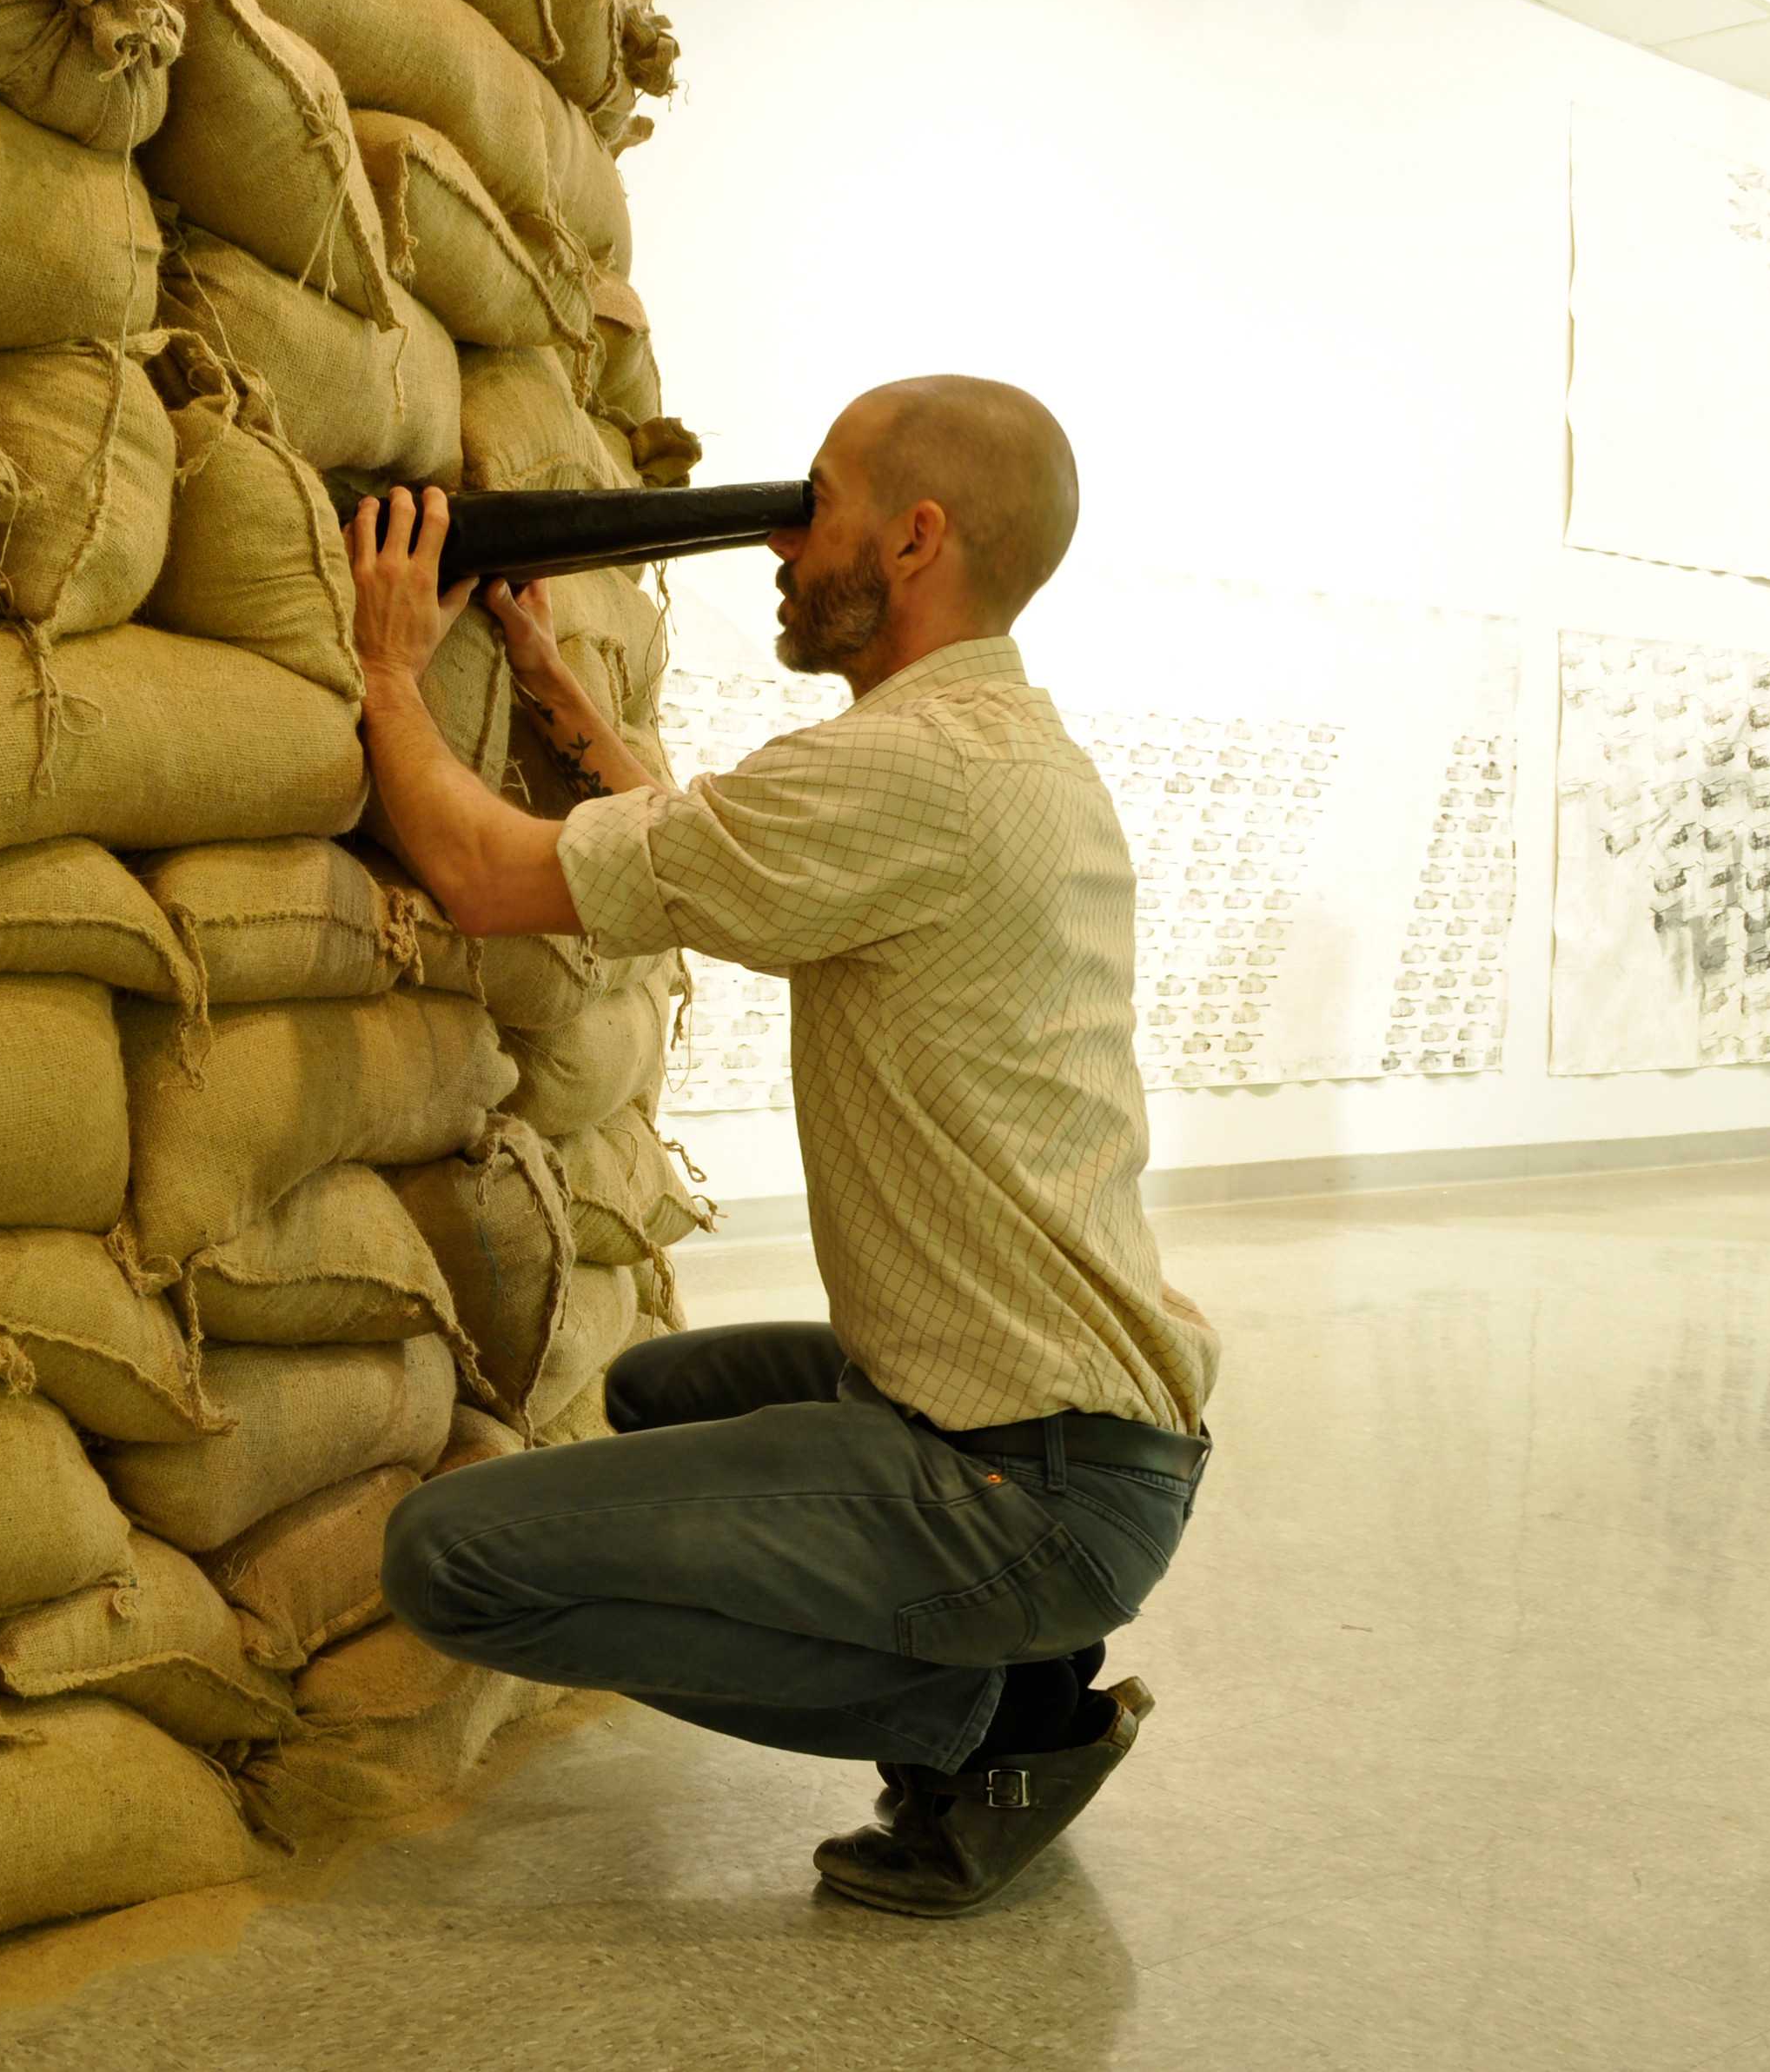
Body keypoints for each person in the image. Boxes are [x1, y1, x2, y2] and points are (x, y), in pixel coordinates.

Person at [346, 375, 1219, 1918]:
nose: (780, 537)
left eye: (816, 501)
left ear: (915, 537)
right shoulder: (990, 750)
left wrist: (390, 668)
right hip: (1084, 1428)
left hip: (1029, 1482)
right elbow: (702, 859)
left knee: (453, 1564)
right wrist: (558, 696)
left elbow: (485, 880)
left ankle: (997, 1719)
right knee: (659, 1388)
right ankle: (1013, 1647)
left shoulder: (910, 769)